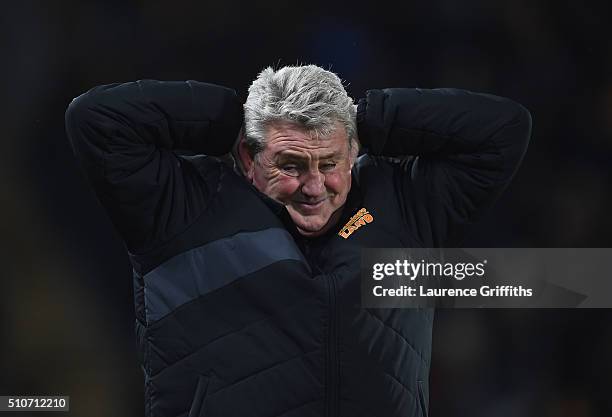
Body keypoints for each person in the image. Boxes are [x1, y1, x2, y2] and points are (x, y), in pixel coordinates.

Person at [65, 65, 531, 417]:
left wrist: (368, 115)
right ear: (249, 156)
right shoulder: (181, 208)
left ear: (354, 151)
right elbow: (96, 118)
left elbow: (503, 129)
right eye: (290, 165)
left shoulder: (404, 204)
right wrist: (232, 119)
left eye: (330, 163)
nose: (313, 187)